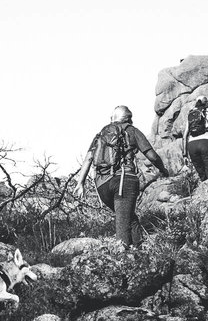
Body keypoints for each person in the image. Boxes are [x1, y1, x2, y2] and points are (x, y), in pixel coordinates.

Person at [73, 105, 170, 246]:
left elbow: (88, 159)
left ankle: (139, 250)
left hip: (102, 186)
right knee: (123, 228)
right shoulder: (131, 130)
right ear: (129, 119)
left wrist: (80, 183)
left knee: (129, 217)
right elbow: (152, 156)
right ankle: (123, 257)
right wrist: (163, 170)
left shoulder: (101, 134)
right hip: (123, 181)